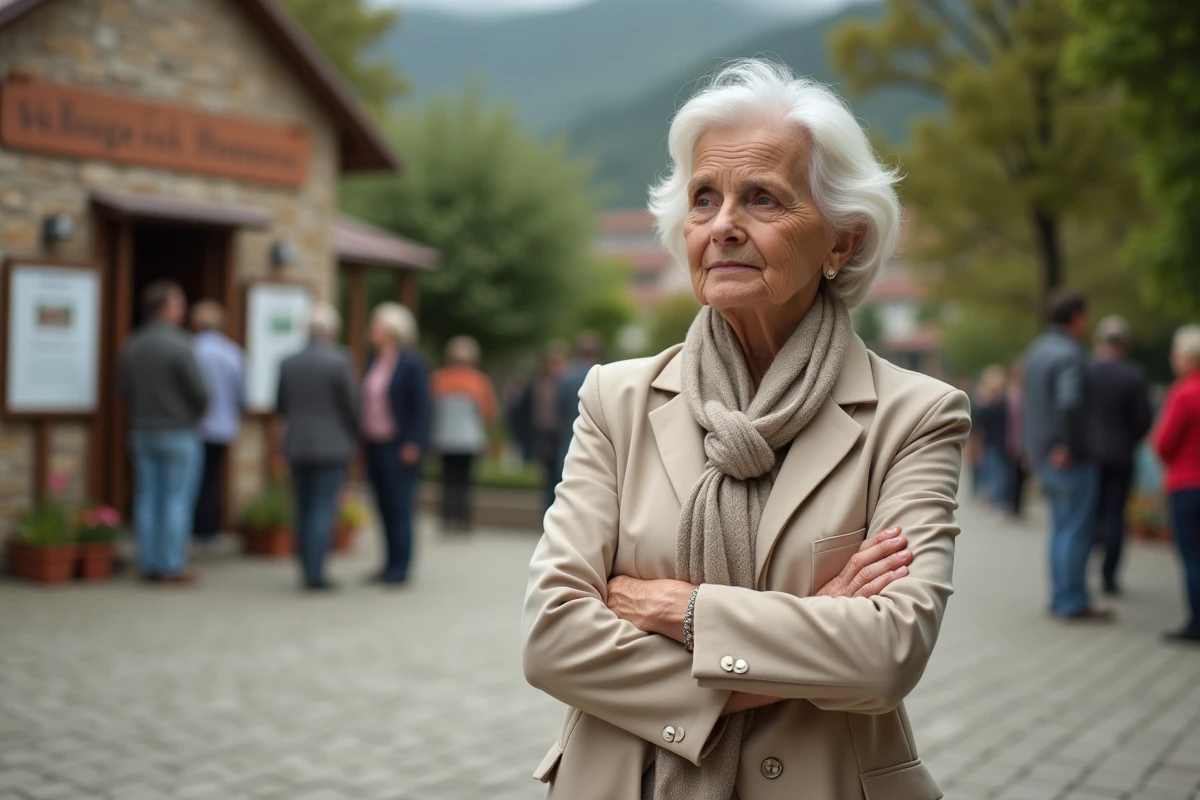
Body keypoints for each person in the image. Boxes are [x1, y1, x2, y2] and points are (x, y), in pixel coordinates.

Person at [521, 60, 971, 800]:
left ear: (841, 242)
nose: (724, 224)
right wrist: (813, 628)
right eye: (705, 198)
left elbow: (888, 654)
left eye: (762, 198)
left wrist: (681, 611)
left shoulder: (915, 416)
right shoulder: (617, 397)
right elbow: (553, 640)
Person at [1023, 289, 1109, 622]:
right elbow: (1069, 401)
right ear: (1076, 317)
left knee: (1060, 527)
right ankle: (1073, 601)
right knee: (1076, 529)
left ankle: (1060, 597)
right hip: (1069, 456)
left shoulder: (1036, 351)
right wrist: (1069, 446)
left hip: (1044, 455)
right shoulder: (1070, 354)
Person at [119, 280, 208, 584]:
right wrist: (193, 416)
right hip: (178, 432)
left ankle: (150, 563)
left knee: (147, 498)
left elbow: (124, 389)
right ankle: (171, 565)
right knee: (176, 500)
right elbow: (200, 392)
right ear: (166, 307)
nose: (182, 311)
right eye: (179, 304)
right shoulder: (181, 344)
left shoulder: (133, 343)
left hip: (143, 430)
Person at [276, 304, 359, 592]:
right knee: (323, 508)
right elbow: (352, 406)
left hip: (297, 443)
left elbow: (281, 405)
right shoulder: (340, 360)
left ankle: (305, 568)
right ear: (332, 331)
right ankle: (316, 573)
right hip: (332, 445)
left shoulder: (289, 361)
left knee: (302, 507)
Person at [361, 303, 430, 586]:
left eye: (375, 326)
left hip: (399, 446)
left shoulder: (412, 363)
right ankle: (388, 562)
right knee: (382, 505)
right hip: (374, 444)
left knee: (400, 505)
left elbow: (422, 407)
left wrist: (414, 441)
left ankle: (401, 566)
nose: (371, 331)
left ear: (391, 330)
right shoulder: (374, 361)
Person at [1088, 315, 1152, 595]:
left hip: (1090, 454)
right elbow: (1144, 419)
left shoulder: (1088, 371)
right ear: (1124, 344)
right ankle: (1109, 575)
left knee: (1090, 512)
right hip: (1122, 454)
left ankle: (1083, 570)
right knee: (1116, 514)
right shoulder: (1134, 374)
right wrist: (1130, 440)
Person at [1152, 325, 1200, 644]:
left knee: (1192, 556)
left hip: (1186, 483)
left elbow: (1164, 443)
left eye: (1178, 354)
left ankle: (1196, 623)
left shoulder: (1183, 392)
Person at [190, 301, 246, 544]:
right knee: (213, 478)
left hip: (194, 426)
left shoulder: (190, 349)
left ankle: (192, 528)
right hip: (223, 425)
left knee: (192, 479)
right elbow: (242, 393)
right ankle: (210, 530)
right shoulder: (232, 352)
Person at [431, 335, 498, 533]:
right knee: (465, 480)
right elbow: (488, 413)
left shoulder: (439, 379)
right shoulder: (479, 381)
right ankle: (463, 519)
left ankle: (446, 517)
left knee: (447, 479)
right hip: (469, 439)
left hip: (444, 438)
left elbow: (432, 410)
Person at [517, 342, 568, 511]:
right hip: (544, 435)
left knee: (563, 475)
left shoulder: (567, 382)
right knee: (549, 476)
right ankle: (549, 511)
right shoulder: (536, 383)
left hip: (562, 435)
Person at [555, 331, 604, 480]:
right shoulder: (604, 376)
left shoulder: (565, 377)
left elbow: (558, 407)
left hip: (569, 436)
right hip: (597, 440)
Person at [970, 365, 1009, 510]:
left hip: (995, 442)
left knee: (996, 473)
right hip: (992, 442)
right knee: (993, 472)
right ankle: (992, 499)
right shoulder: (996, 403)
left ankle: (996, 501)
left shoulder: (997, 403)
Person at [1005, 359, 1028, 519]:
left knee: (1021, 476)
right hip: (1010, 441)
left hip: (1022, 441)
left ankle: (1017, 507)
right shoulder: (1009, 395)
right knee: (1011, 475)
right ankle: (1011, 506)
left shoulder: (1025, 394)